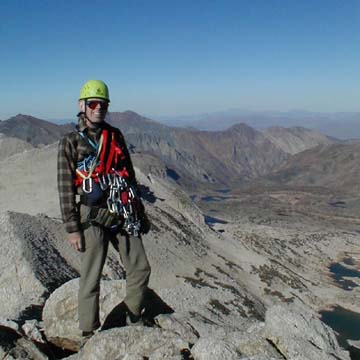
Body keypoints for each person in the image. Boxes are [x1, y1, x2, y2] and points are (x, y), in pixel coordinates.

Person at [57, 80, 151, 338]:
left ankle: (133, 317)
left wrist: (139, 212)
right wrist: (72, 228)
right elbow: (65, 187)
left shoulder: (115, 135)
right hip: (92, 214)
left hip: (122, 210)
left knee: (140, 267)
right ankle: (88, 332)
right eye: (93, 104)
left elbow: (129, 176)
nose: (99, 108)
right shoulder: (70, 142)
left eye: (103, 105)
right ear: (82, 106)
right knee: (91, 276)